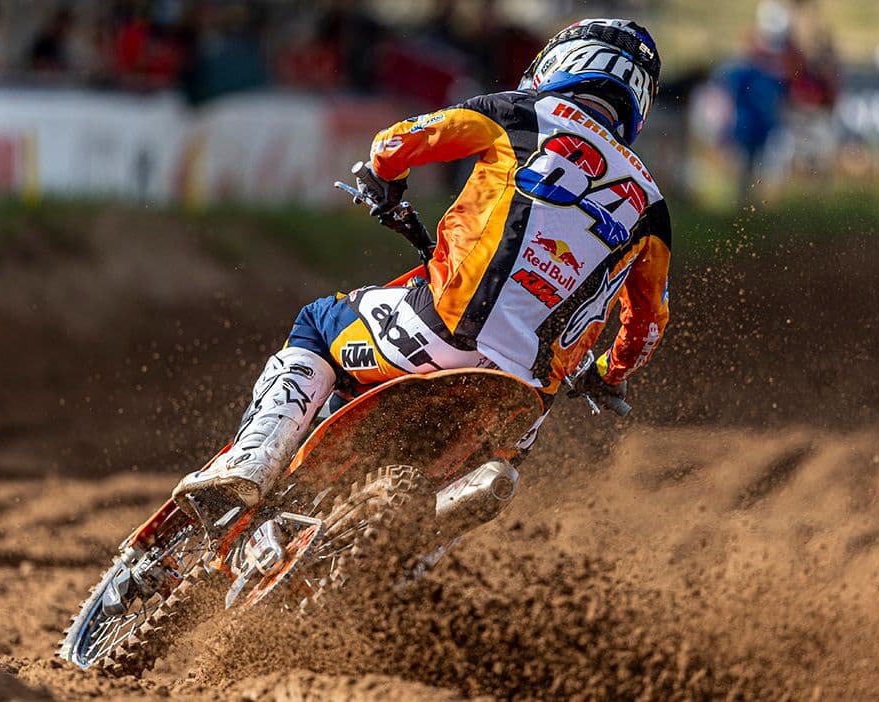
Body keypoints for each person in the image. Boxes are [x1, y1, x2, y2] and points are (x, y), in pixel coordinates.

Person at [172, 18, 672, 517]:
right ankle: (427, 538)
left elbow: (398, 142)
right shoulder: (652, 206)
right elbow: (646, 326)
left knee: (318, 323)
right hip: (527, 394)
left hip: (441, 329)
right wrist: (608, 372)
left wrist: (384, 178)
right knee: (499, 461)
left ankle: (253, 461)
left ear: (561, 61)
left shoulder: (523, 112)